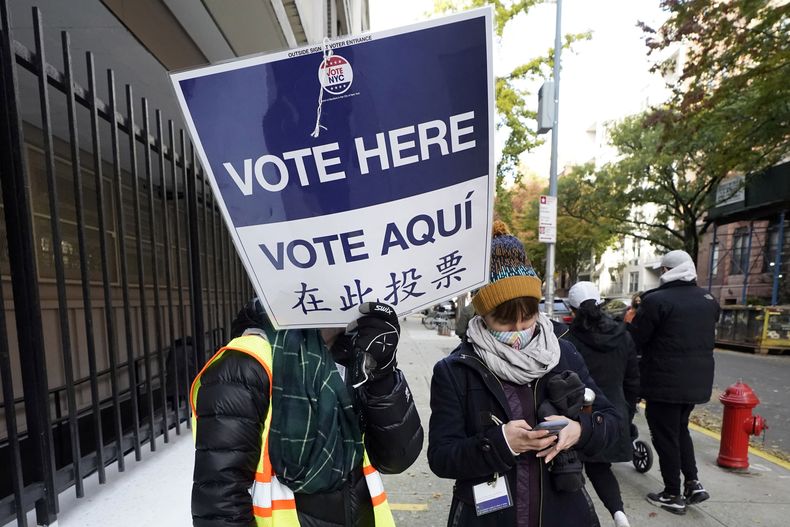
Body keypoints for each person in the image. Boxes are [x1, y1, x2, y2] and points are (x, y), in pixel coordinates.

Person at [428, 220, 619, 527]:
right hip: (488, 516)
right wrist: (502, 442)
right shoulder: (455, 370)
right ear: (482, 313)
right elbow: (441, 456)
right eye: (503, 321)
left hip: (564, 512)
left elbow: (612, 424)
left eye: (527, 317)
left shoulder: (563, 353)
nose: (518, 330)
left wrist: (580, 430)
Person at [191, 298, 424, 526]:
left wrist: (382, 373)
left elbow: (396, 459)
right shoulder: (246, 364)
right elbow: (218, 503)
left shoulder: (357, 353)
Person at [628, 250, 720, 515]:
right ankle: (693, 483)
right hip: (696, 382)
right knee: (680, 430)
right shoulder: (708, 300)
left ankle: (672, 493)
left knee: (665, 435)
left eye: (663, 270)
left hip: (663, 382)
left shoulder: (657, 301)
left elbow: (637, 338)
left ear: (669, 271)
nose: (661, 275)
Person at [566, 282, 640, 527]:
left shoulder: (568, 340)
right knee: (600, 468)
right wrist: (627, 412)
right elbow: (632, 381)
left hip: (576, 411)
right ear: (600, 304)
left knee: (568, 471)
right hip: (613, 408)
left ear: (571, 309)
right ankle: (619, 515)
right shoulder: (623, 335)